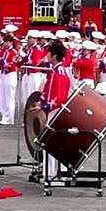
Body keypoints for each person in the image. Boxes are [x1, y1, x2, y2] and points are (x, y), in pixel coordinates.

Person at [37, 41, 72, 183]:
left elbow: (59, 96)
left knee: (52, 143)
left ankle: (54, 174)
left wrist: (46, 106)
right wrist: (41, 102)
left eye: (49, 52)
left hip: (56, 111)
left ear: (54, 55)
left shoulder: (58, 72)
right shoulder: (56, 71)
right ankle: (52, 173)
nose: (47, 55)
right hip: (54, 109)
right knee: (52, 143)